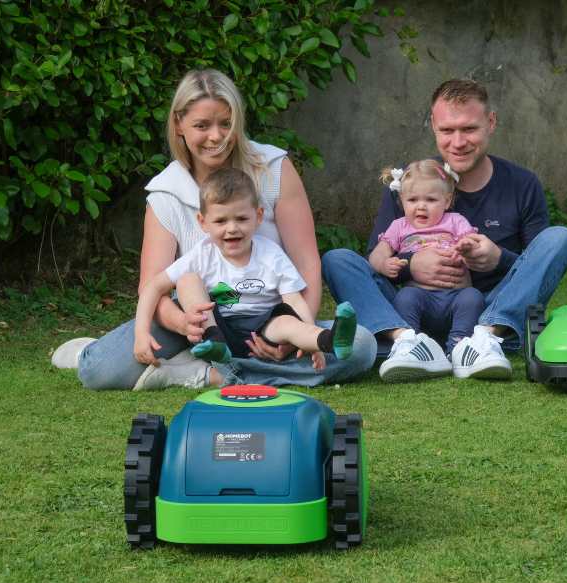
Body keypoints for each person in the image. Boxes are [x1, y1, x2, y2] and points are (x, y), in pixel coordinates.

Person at [52, 69, 375, 389]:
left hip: (269, 316)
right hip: (201, 316)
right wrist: (184, 324)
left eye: (225, 123)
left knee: (361, 346)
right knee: (100, 370)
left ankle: (206, 373)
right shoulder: (166, 192)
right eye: (201, 125)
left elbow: (306, 262)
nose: (216, 136)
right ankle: (207, 364)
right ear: (179, 124)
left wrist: (295, 339)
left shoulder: (274, 167)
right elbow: (154, 286)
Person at [322, 78, 567, 381]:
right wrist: (411, 266)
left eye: (469, 129)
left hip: (484, 308)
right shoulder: (410, 182)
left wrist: (499, 258)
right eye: (447, 130)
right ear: (432, 125)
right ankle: (404, 341)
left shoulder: (522, 184)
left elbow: (537, 263)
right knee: (337, 260)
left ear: (490, 122)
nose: (458, 142)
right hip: (412, 309)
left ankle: (486, 340)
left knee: (560, 238)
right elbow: (373, 262)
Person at [135, 166, 358, 380]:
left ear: (258, 216)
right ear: (203, 222)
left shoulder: (271, 254)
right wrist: (141, 333)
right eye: (221, 220)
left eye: (241, 219)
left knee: (288, 322)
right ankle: (215, 347)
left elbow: (294, 300)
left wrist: (311, 341)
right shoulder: (202, 255)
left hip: (264, 331)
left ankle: (329, 340)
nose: (232, 228)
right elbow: (153, 287)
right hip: (217, 327)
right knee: (187, 281)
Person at [367, 159, 485, 380]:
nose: (421, 206)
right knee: (405, 297)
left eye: (431, 199)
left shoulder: (455, 221)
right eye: (413, 199)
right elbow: (376, 254)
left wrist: (466, 248)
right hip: (420, 296)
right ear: (401, 201)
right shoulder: (399, 226)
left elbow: (473, 241)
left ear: (447, 200)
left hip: (456, 295)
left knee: (473, 297)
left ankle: (458, 347)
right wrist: (384, 264)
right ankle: (412, 345)